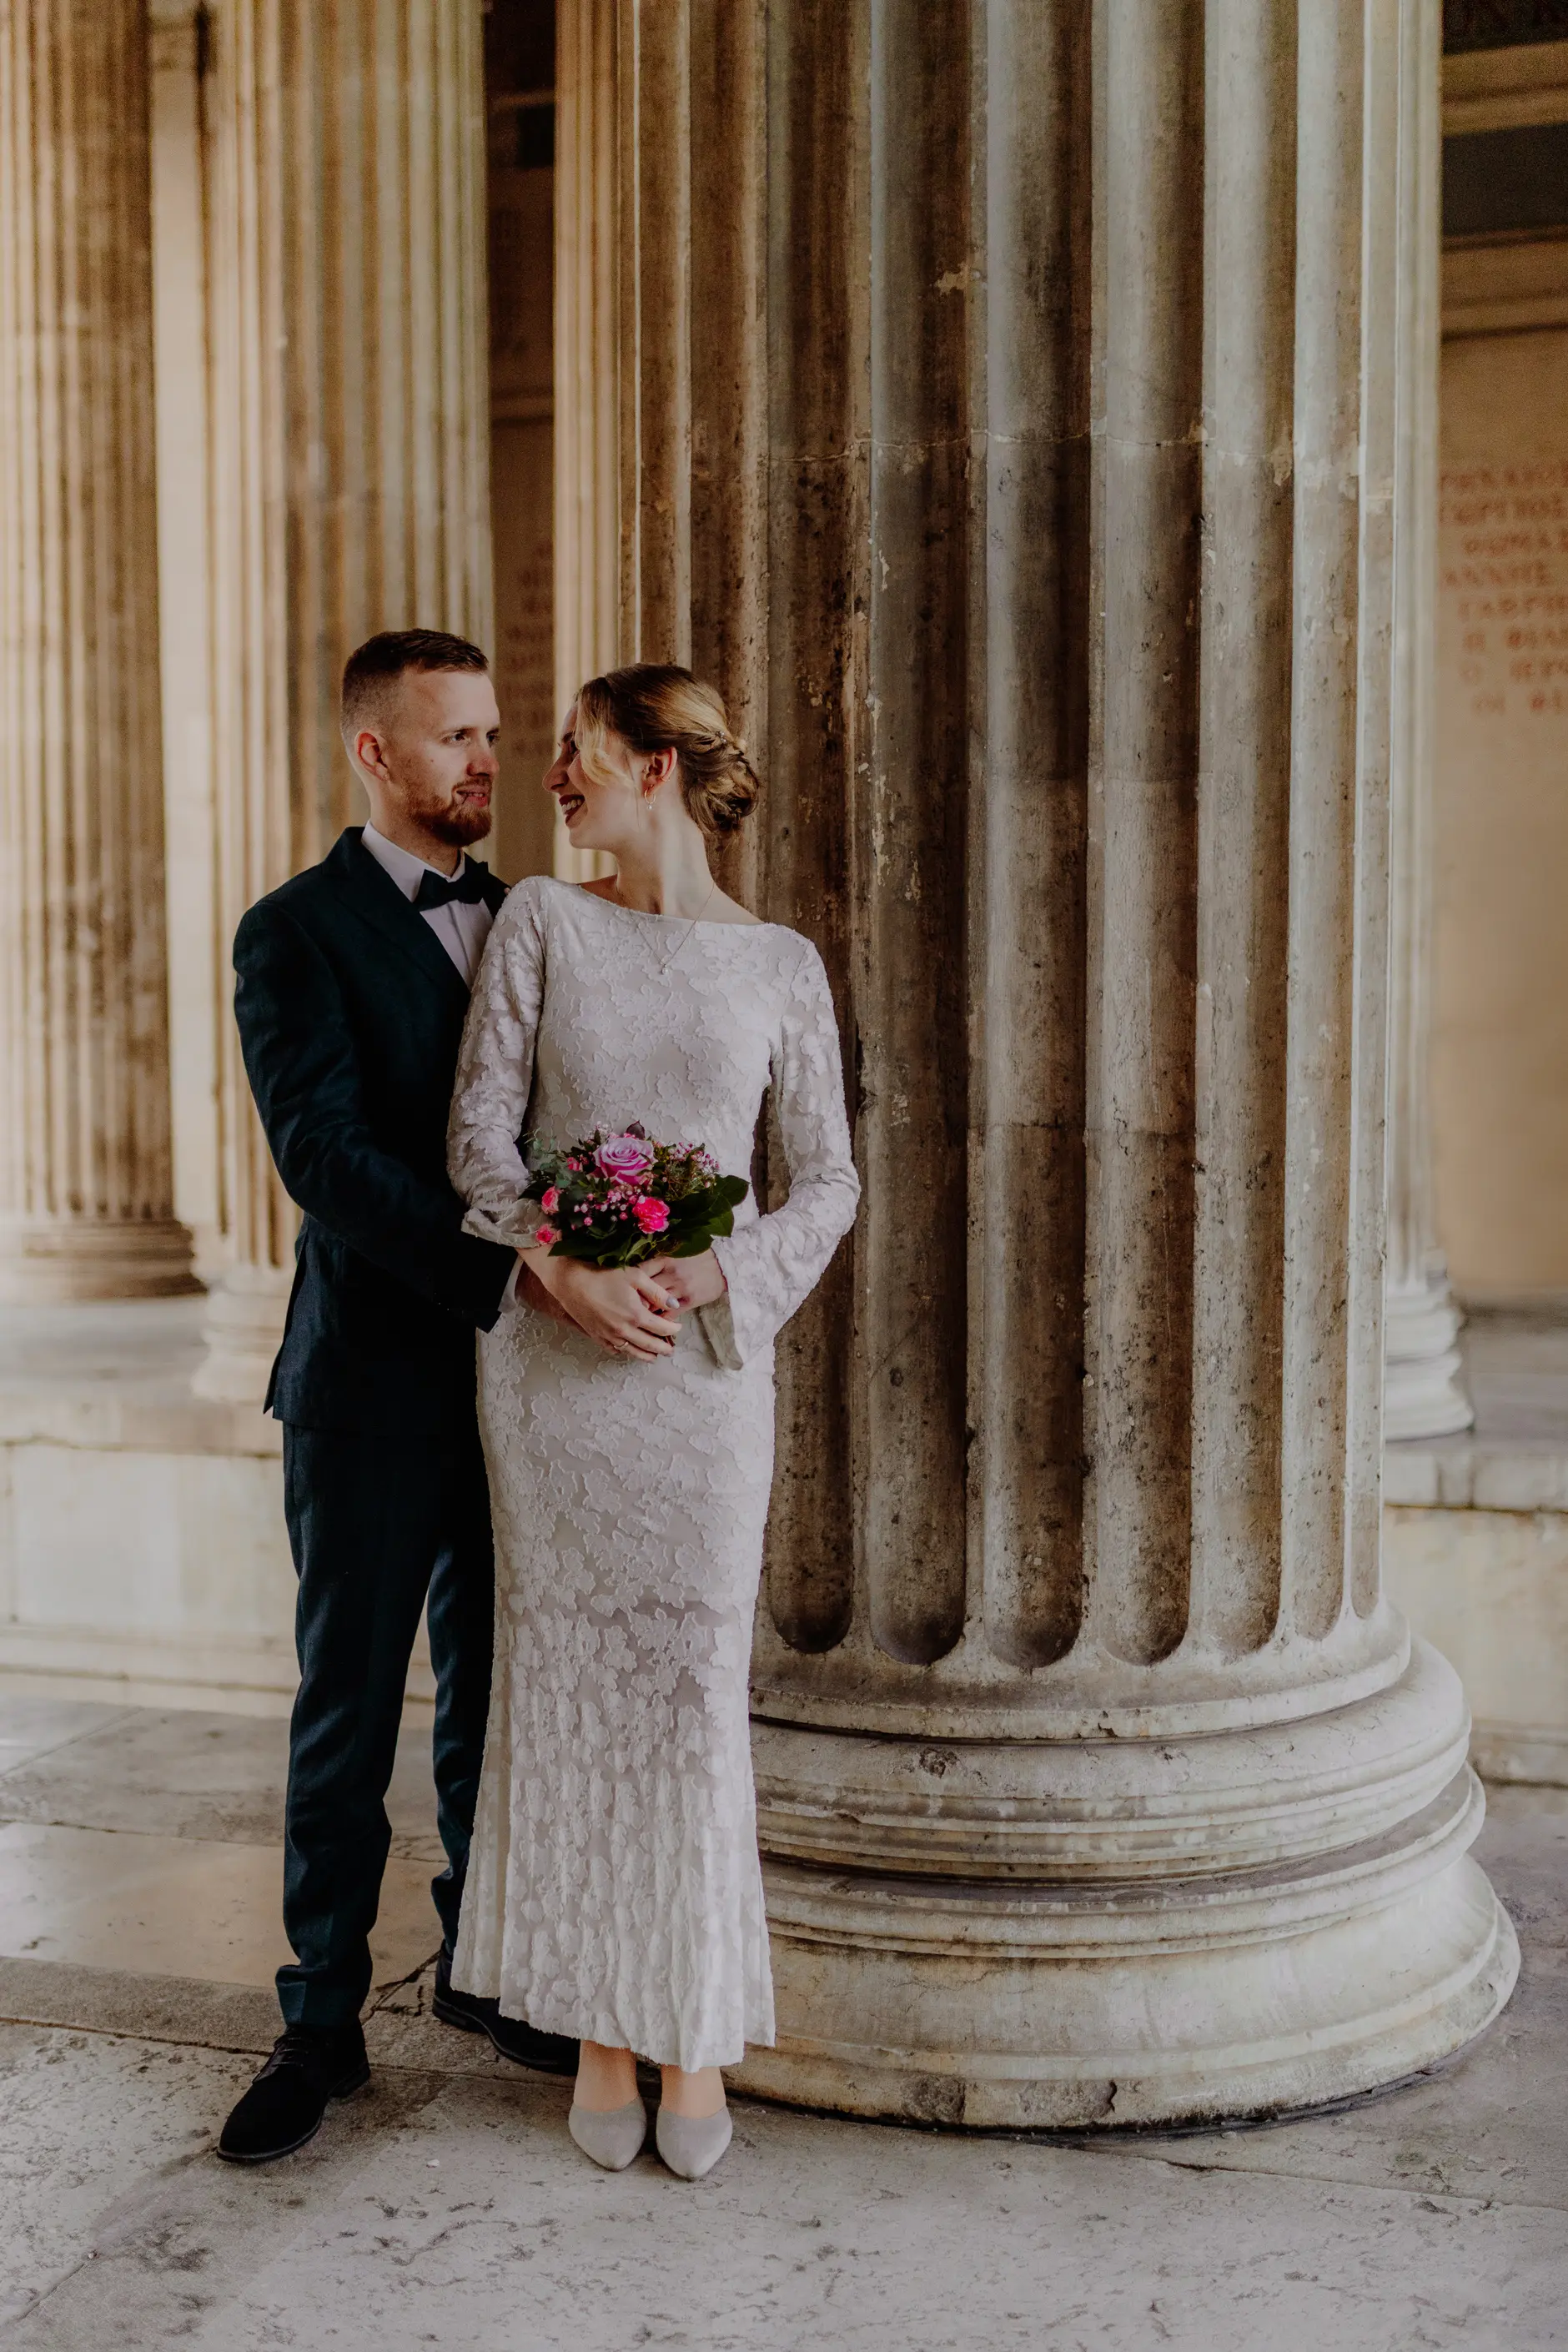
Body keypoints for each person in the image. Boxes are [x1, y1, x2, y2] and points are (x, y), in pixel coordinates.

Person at [446, 663, 860, 2180]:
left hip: (700, 1382)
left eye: (580, 751)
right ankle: (598, 2036)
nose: (557, 775)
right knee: (565, 1693)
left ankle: (689, 2039)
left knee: (688, 1699)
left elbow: (826, 1179)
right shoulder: (542, 925)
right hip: (553, 1382)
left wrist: (719, 1267)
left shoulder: (784, 967)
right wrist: (552, 1265)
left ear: (659, 767)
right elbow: (480, 1136)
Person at [217, 630, 578, 2167]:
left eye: (494, 734)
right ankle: (318, 2021)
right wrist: (507, 1272)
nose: (486, 763)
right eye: (455, 740)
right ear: (377, 752)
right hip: (370, 1379)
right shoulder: (291, 932)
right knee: (348, 1708)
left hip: (525, 1391)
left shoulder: (535, 918)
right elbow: (327, 1159)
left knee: (496, 1699)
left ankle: (489, 1969)